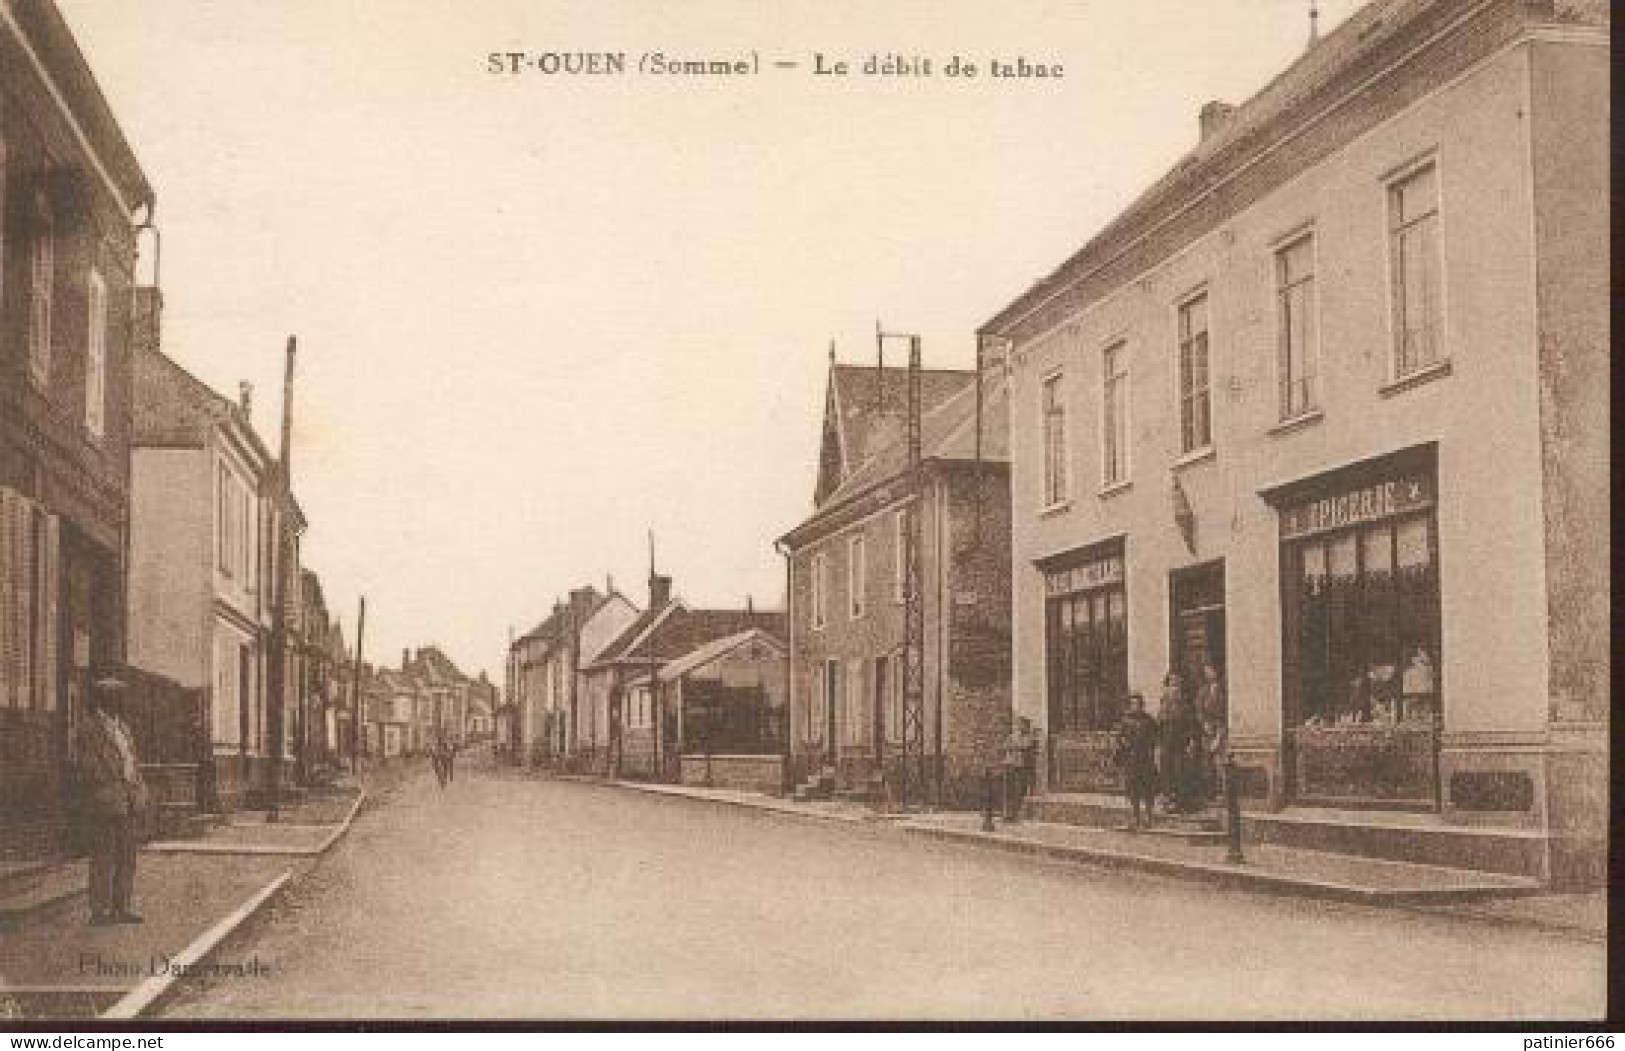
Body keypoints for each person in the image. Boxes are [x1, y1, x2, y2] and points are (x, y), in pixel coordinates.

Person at [74, 673, 149, 926]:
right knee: (103, 855)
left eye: (119, 697)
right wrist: (108, 783)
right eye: (113, 697)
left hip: (128, 798)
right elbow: (86, 764)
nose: (118, 701)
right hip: (105, 799)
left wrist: (138, 788)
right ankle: (99, 910)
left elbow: (133, 761)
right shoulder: (89, 728)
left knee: (127, 856)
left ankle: (121, 907)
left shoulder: (123, 728)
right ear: (102, 700)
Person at [1114, 693, 1159, 831]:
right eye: (1133, 704)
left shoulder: (1149, 720)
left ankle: (1149, 816)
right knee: (1133, 789)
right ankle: (1135, 817)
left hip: (1146, 758)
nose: (1136, 706)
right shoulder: (1126, 720)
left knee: (1148, 788)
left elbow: (1156, 737)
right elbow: (1119, 737)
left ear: (1142, 705)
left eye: (1138, 704)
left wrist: (1153, 752)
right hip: (1131, 759)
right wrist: (1124, 743)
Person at [1193, 663, 1227, 806]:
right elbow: (1199, 710)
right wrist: (1204, 724)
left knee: (1220, 763)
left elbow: (1226, 712)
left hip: (1221, 730)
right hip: (1207, 732)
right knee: (1207, 763)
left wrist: (1220, 733)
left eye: (1211, 670)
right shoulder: (1202, 691)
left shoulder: (1224, 689)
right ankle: (1209, 793)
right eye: (1206, 671)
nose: (1209, 674)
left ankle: (1222, 793)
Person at [1000, 717, 1036, 821]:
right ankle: (1007, 813)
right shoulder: (1013, 736)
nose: (1020, 727)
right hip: (1010, 764)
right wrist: (1014, 747)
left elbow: (1026, 746)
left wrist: (1014, 747)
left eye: (1022, 725)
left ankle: (1016, 814)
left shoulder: (1030, 737)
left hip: (1022, 767)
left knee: (1019, 791)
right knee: (1008, 790)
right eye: (1019, 725)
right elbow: (1005, 745)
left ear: (1027, 726)